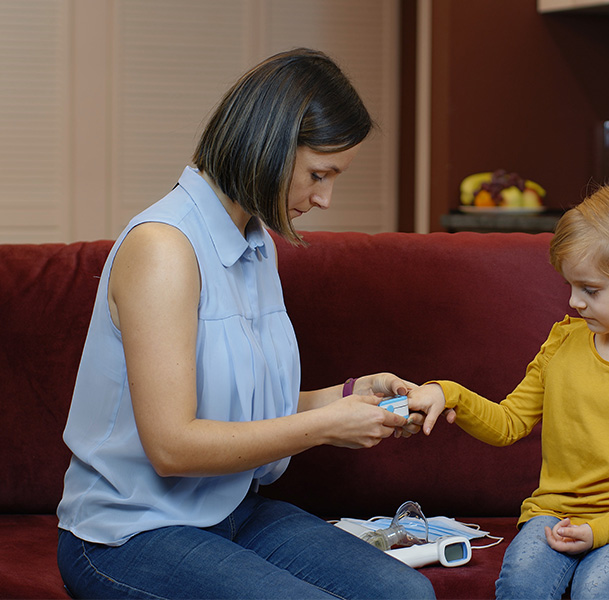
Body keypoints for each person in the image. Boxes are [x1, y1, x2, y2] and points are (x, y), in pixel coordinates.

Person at [56, 48, 435, 600]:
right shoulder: (164, 248)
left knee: (407, 594)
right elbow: (173, 447)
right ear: (269, 146)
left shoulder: (256, 246)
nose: (325, 199)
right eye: (317, 174)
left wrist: (354, 397)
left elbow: (249, 406)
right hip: (128, 533)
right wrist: (330, 427)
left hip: (231, 509)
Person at [409, 184, 609, 600]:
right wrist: (450, 395)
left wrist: (599, 532)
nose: (574, 301)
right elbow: (509, 423)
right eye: (571, 285)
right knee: (522, 588)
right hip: (555, 514)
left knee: (597, 590)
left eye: (591, 290)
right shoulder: (563, 343)